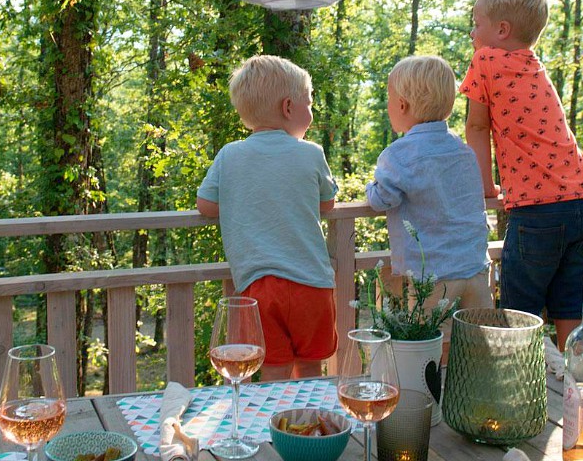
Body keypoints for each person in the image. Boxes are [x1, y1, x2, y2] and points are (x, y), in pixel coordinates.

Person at [460, 0, 583, 350]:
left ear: (501, 30)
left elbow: (476, 126)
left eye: (477, 24)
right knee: (569, 304)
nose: (473, 33)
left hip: (539, 213)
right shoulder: (532, 64)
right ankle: (575, 387)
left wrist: (486, 189)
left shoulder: (487, 59)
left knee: (520, 315)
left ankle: (519, 398)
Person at [196, 55, 339, 380]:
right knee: (310, 370)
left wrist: (241, 201)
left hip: (257, 287)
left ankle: (272, 428)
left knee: (271, 372)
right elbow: (327, 204)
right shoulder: (311, 153)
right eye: (309, 103)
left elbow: (205, 205)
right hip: (311, 285)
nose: (311, 113)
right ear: (289, 107)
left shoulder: (230, 154)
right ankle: (307, 428)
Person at [365, 55, 490, 360]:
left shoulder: (400, 154)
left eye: (390, 100)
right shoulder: (463, 151)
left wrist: (370, 187)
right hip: (475, 268)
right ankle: (473, 402)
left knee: (430, 350)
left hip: (433, 276)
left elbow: (381, 198)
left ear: (403, 106)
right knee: (476, 347)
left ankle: (433, 407)